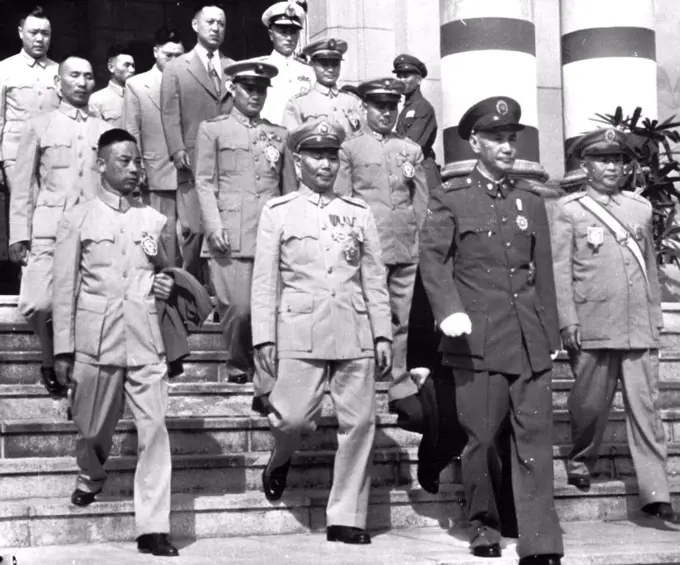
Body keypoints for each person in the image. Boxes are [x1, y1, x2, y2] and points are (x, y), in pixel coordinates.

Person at [419, 96, 563, 564]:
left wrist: (553, 333)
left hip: (528, 340)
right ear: (475, 142)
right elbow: (433, 261)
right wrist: (448, 310)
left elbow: (541, 271)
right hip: (475, 342)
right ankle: (484, 525)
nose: (506, 145)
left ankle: (541, 542)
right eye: (496, 138)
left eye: (511, 138)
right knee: (481, 440)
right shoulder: (451, 198)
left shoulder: (530, 201)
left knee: (536, 441)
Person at [251, 119, 392, 545]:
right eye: (316, 155)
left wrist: (382, 333)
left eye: (332, 156)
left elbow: (374, 278)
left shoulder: (358, 212)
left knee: (361, 422)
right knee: (292, 417)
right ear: (298, 161)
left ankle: (346, 517)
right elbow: (264, 281)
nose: (326, 164)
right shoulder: (278, 212)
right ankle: (281, 458)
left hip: (353, 327)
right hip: (299, 326)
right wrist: (264, 337)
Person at [52, 128, 179, 557]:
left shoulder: (155, 221)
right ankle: (91, 474)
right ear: (101, 165)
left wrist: (165, 282)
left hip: (146, 339)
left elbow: (169, 274)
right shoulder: (79, 218)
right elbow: (64, 288)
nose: (133, 169)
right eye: (123, 161)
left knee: (155, 431)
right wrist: (63, 350)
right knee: (91, 429)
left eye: (137, 161)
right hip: (97, 340)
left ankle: (153, 526)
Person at [551, 128, 680, 523]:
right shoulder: (570, 210)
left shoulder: (640, 209)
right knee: (589, 404)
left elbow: (649, 270)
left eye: (617, 160)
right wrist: (567, 319)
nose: (611, 167)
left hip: (637, 323)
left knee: (645, 408)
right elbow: (559, 271)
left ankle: (656, 493)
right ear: (585, 166)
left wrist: (655, 316)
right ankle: (581, 457)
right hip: (592, 323)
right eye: (602, 160)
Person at [8, 55, 112, 398]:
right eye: (74, 76)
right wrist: (18, 233)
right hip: (49, 229)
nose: (82, 82)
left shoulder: (104, 129)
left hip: (93, 231)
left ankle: (75, 366)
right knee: (39, 303)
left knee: (87, 302)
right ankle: (50, 356)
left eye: (88, 76)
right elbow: (22, 184)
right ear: (58, 83)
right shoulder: (40, 124)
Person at [195, 59, 296, 385]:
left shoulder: (279, 135)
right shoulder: (213, 129)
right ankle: (239, 364)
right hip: (230, 236)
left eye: (261, 90)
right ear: (232, 88)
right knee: (239, 309)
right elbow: (204, 182)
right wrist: (213, 227)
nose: (255, 95)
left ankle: (265, 374)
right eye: (248, 89)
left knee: (271, 308)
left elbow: (288, 189)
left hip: (269, 235)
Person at [335, 77, 428, 406]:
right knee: (366, 313)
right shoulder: (350, 148)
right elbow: (343, 199)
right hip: (367, 247)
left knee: (400, 317)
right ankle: (364, 379)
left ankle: (398, 382)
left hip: (404, 244)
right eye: (380, 106)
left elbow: (420, 201)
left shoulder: (410, 150)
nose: (387, 113)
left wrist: (419, 238)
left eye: (392, 106)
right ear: (366, 108)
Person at [160, 1, 234, 281]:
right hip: (191, 161)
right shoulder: (177, 67)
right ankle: (190, 291)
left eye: (221, 24)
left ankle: (219, 292)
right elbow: (169, 112)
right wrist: (177, 148)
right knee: (193, 229)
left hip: (225, 161)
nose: (216, 28)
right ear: (196, 26)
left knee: (222, 226)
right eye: (210, 22)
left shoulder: (232, 68)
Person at [124, 27, 185, 267]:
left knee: (188, 237)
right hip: (156, 172)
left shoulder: (189, 84)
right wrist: (137, 170)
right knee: (162, 236)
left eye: (178, 56)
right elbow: (131, 131)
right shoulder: (136, 85)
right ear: (155, 52)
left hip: (188, 174)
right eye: (168, 55)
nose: (173, 61)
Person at [0, 5, 59, 189]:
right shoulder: (4, 69)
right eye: (33, 32)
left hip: (53, 156)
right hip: (16, 155)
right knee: (23, 210)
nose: (40, 39)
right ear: (20, 33)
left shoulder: (60, 71)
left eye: (45, 33)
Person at [281, 38, 363, 135]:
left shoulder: (353, 102)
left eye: (335, 63)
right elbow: (291, 142)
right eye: (324, 64)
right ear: (312, 65)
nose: (330, 69)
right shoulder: (298, 104)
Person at [258, 1, 314, 125]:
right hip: (268, 138)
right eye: (283, 31)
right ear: (271, 35)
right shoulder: (259, 69)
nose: (289, 38)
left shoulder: (309, 71)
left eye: (293, 31)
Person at [89, 44, 136, 127]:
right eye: (126, 65)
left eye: (133, 66)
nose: (132, 70)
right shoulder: (97, 100)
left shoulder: (138, 96)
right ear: (111, 67)